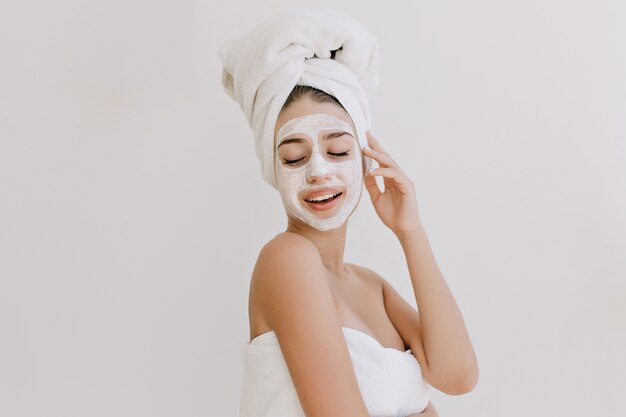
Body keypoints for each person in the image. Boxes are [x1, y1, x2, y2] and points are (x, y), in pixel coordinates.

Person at [219, 8, 478, 417]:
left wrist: (411, 231)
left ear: (363, 158)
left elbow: (457, 375)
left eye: (338, 150)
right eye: (293, 157)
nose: (319, 171)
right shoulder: (286, 259)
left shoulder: (370, 285)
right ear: (272, 170)